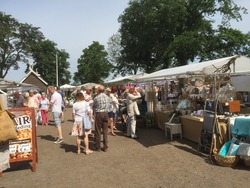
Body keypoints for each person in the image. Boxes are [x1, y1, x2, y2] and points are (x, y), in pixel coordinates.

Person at [92, 85, 112, 152]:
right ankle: (105, 147)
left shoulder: (96, 98)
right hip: (106, 114)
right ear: (104, 90)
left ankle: (98, 147)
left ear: (98, 90)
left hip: (99, 114)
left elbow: (93, 106)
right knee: (105, 131)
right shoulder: (108, 97)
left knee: (98, 131)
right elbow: (110, 107)